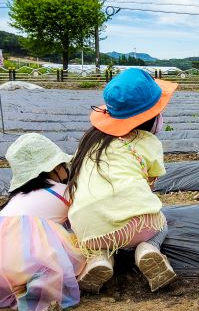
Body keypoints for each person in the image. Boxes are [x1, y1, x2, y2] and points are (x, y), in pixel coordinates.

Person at [67, 69, 178, 294]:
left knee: (102, 234)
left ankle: (100, 258)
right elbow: (149, 185)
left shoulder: (88, 142)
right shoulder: (146, 142)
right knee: (160, 220)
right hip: (135, 227)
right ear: (151, 117)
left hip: (87, 229)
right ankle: (148, 250)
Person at [0, 133, 85, 311]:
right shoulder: (65, 191)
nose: (66, 169)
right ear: (53, 168)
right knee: (67, 250)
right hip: (25, 259)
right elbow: (81, 219)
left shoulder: (17, 197)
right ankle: (34, 294)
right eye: (63, 165)